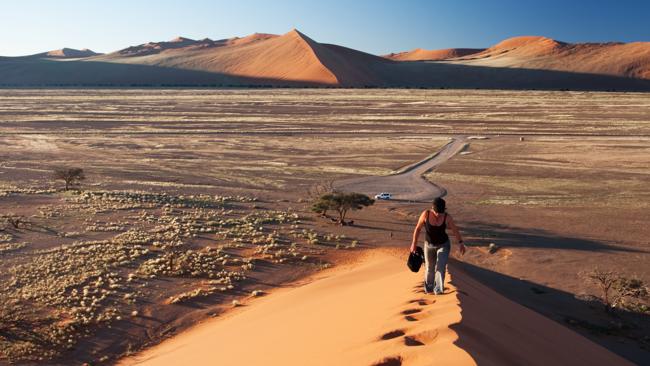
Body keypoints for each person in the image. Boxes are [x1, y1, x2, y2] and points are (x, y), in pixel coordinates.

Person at [409, 197, 466, 294]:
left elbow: (455, 230)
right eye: (437, 212)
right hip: (429, 245)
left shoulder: (447, 217)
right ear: (432, 208)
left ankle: (439, 290)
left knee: (440, 266)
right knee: (429, 268)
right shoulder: (425, 214)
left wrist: (461, 243)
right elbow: (418, 228)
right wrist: (414, 243)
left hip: (443, 245)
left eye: (441, 212)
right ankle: (428, 289)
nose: (438, 214)